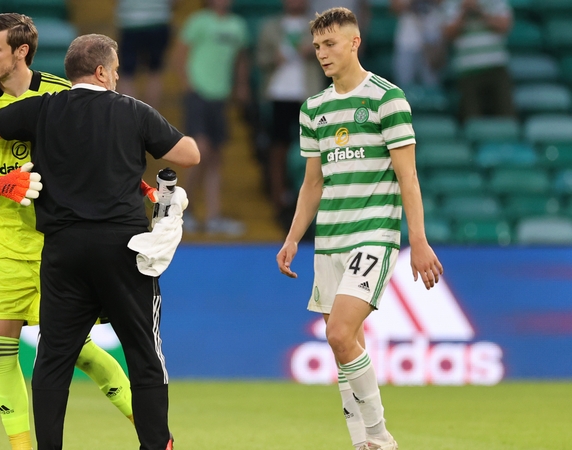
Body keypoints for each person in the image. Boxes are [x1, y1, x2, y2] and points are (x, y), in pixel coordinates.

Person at [0, 33, 200, 450]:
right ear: (102, 71)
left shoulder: (44, 108)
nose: (115, 77)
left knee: (54, 358)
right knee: (145, 353)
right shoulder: (132, 110)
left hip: (62, 250)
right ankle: (156, 444)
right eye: (113, 71)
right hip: (122, 250)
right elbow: (189, 155)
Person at [0, 14, 135, 450]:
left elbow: (101, 151)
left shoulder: (60, 93)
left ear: (21, 51)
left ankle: (154, 433)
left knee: (78, 351)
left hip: (58, 242)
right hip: (4, 242)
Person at [276, 7, 443, 450]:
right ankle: (361, 444)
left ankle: (379, 437)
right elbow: (313, 183)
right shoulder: (314, 108)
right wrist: (293, 237)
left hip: (373, 234)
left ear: (354, 43)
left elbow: (408, 176)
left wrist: (419, 242)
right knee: (344, 345)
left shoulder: (388, 99)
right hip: (329, 239)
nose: (322, 54)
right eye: (316, 47)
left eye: (330, 44)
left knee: (337, 334)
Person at [173, 0, 250, 236]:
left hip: (220, 96)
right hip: (199, 93)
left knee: (216, 156)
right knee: (201, 151)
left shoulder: (238, 25)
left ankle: (213, 215)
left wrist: (241, 85)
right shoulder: (198, 22)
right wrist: (188, 86)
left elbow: (240, 59)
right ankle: (182, 211)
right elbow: (180, 54)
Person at [256, 0, 325, 227]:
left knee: (314, 152)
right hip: (278, 94)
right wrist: (275, 59)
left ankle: (312, 203)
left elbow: (335, 57)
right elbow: (260, 59)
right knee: (278, 149)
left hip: (308, 96)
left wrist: (314, 50)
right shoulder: (270, 26)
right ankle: (279, 201)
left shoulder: (320, 26)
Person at [442, 0, 514, 122]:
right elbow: (448, 33)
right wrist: (464, 12)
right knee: (472, 117)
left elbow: (504, 26)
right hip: (467, 70)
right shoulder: (451, 3)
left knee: (506, 113)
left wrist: (480, 11)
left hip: (496, 66)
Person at [116, 0, 174, 108]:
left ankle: (132, 117)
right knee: (155, 72)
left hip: (130, 22)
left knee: (126, 74)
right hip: (158, 20)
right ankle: (150, 118)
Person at [391, 0, 445, 88]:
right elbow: (395, 8)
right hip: (407, 43)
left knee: (432, 88)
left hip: (433, 41)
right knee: (404, 89)